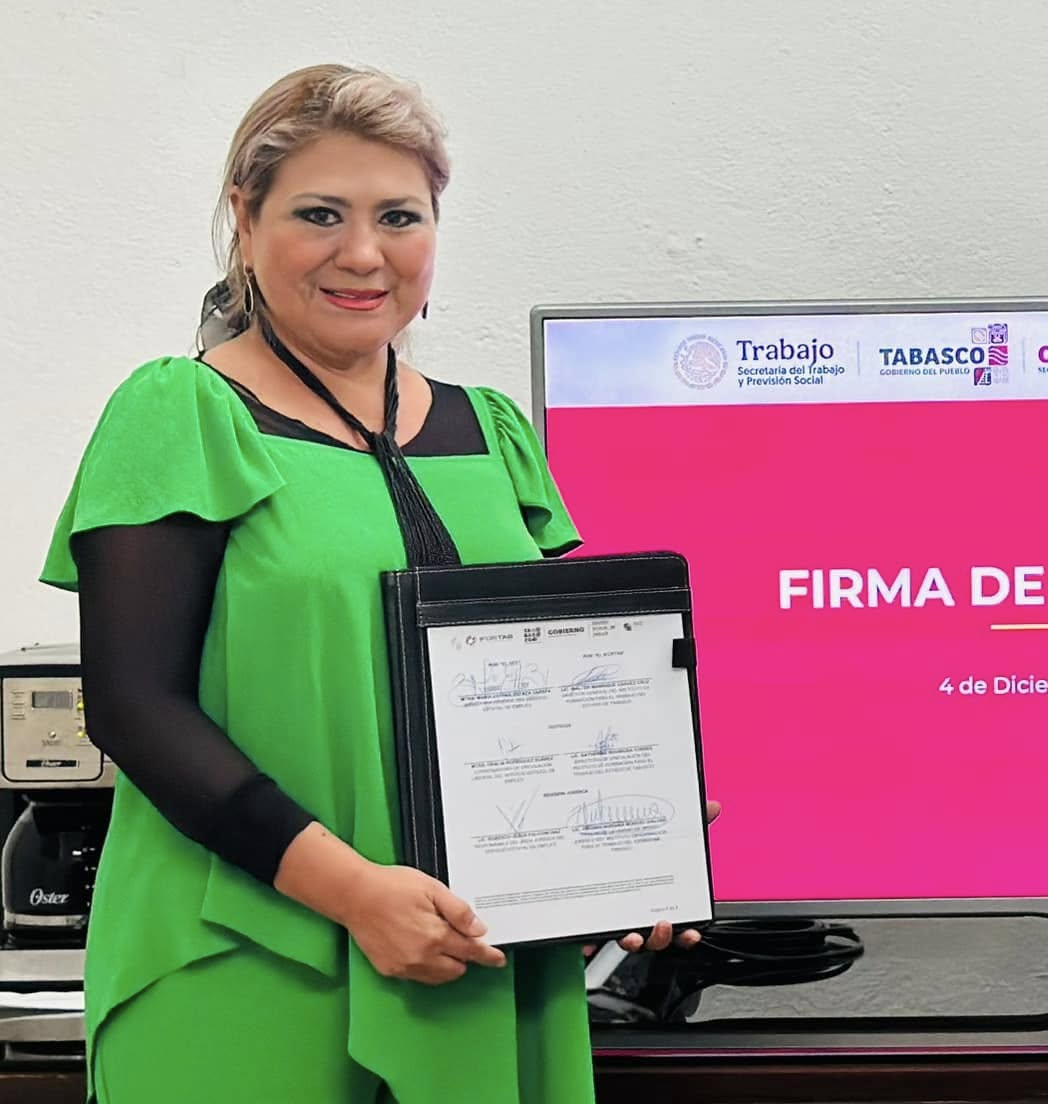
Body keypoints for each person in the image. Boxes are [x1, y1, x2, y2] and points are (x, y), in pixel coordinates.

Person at [41, 63, 715, 1103]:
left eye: (399, 216)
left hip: (475, 962)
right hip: (244, 964)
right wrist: (356, 894)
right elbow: (135, 708)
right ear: (244, 219)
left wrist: (632, 828)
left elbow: (552, 700)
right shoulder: (178, 413)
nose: (362, 253)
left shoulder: (492, 433)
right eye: (320, 214)